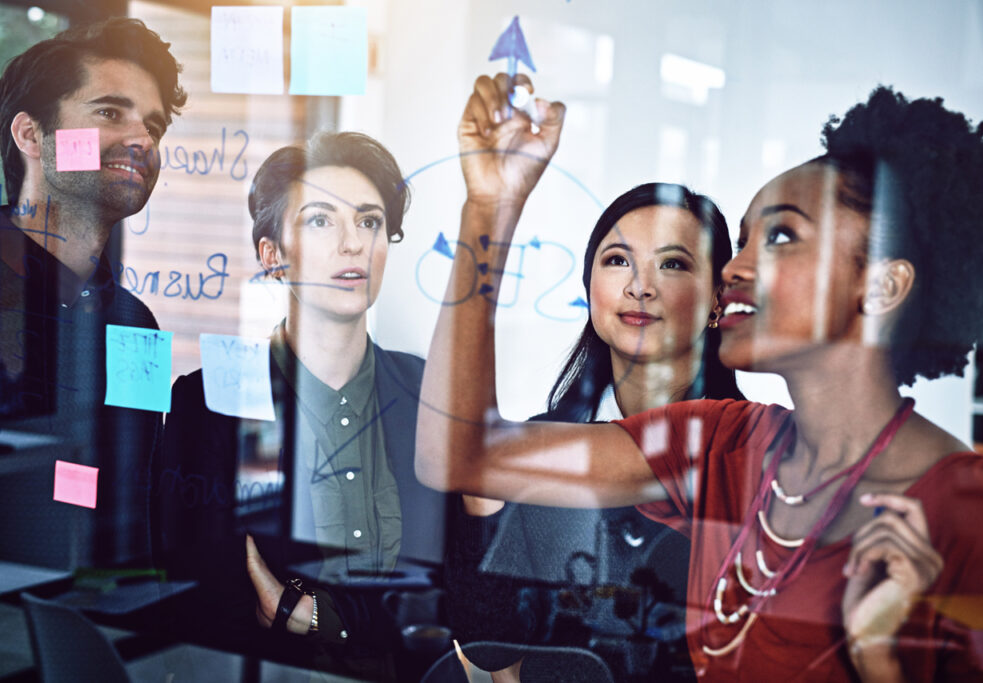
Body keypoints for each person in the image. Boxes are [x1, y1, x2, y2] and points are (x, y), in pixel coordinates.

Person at [416, 74, 983, 680]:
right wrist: (490, 209)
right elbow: (459, 453)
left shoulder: (971, 514)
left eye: (781, 236)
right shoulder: (716, 444)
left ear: (882, 284)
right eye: (745, 239)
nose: (733, 267)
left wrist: (881, 663)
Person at [157, 131, 450, 679]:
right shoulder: (214, 398)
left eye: (369, 221)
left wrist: (322, 618)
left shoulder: (430, 393)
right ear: (272, 256)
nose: (353, 243)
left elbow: (454, 596)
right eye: (321, 220)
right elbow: (211, 602)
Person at [446, 182, 742, 682]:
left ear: (718, 300)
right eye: (617, 261)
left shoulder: (754, 450)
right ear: (588, 288)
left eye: (672, 264)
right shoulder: (538, 447)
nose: (640, 286)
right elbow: (489, 647)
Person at [0, 17, 185, 564]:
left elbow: (128, 486)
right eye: (109, 111)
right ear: (31, 135)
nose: (141, 140)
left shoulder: (134, 323)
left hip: (102, 611)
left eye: (153, 125)